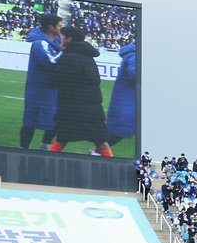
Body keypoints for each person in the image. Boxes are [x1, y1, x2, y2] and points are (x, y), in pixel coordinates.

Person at [49, 26, 112, 156]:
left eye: (62, 37)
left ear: (69, 39)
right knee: (101, 141)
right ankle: (112, 162)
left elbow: (55, 81)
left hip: (73, 107)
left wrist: (51, 78)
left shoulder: (71, 57)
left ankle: (47, 164)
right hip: (92, 108)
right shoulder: (88, 57)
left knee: (62, 138)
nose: (60, 40)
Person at [20, 14, 63, 149]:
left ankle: (44, 146)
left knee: (55, 120)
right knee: (31, 121)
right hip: (39, 90)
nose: (61, 29)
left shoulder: (54, 43)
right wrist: (65, 51)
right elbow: (49, 62)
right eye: (59, 26)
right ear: (51, 27)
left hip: (52, 89)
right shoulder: (39, 43)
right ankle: (23, 149)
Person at [106, 42, 137, 149]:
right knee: (117, 132)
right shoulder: (134, 56)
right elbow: (134, 74)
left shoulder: (133, 55)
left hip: (127, 101)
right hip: (128, 102)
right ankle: (97, 152)